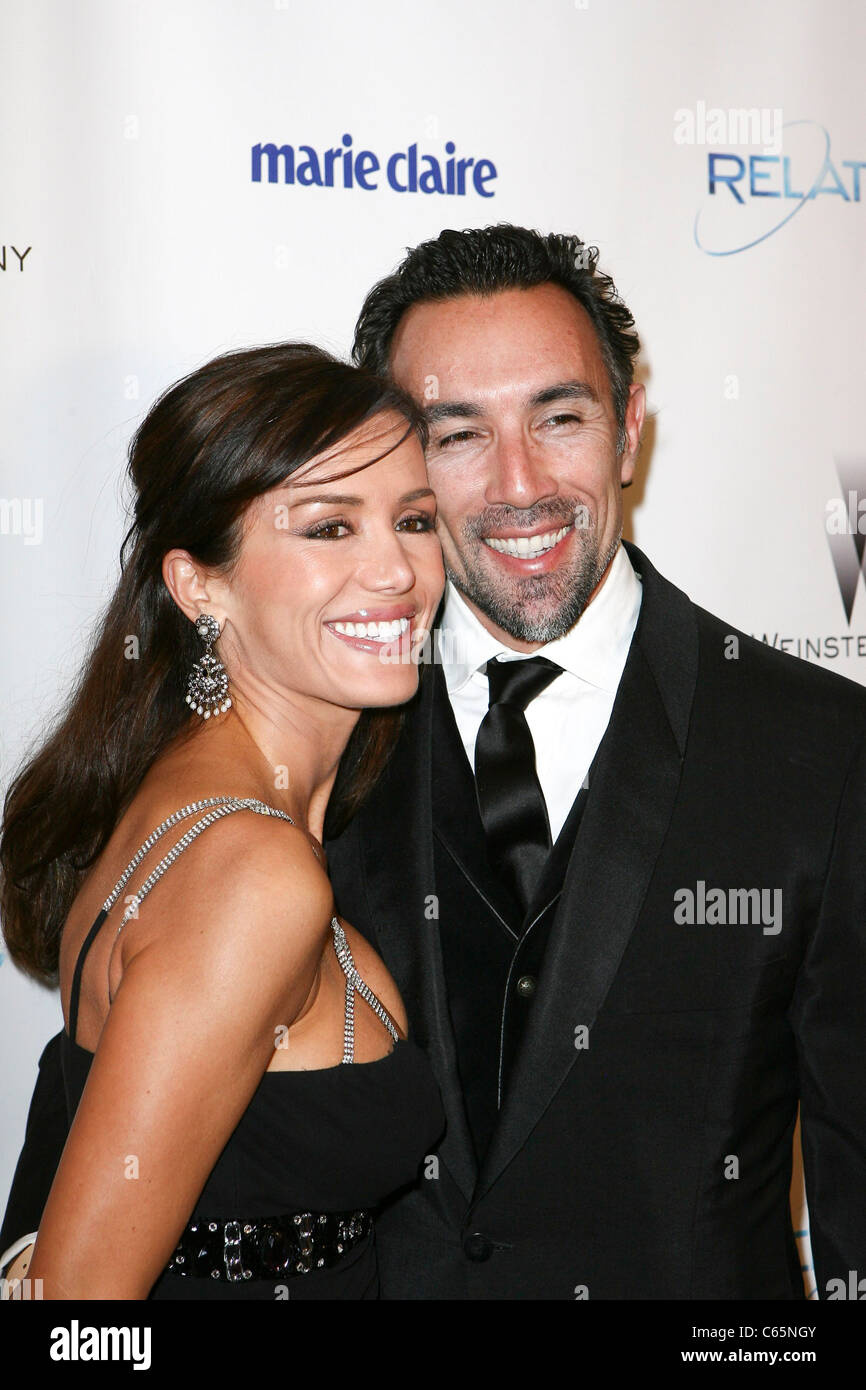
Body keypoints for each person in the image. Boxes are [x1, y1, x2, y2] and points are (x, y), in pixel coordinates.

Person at [322, 224, 866, 1299]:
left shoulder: (819, 748)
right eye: (458, 434)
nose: (519, 484)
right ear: (393, 464)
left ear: (626, 434)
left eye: (557, 418)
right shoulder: (322, 728)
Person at [0, 343, 445, 1299]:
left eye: (414, 519)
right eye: (329, 529)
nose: (397, 570)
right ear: (199, 585)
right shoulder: (252, 869)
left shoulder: (177, 790)